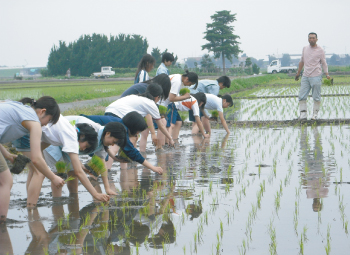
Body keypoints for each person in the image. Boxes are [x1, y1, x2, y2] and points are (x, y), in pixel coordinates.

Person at [13, 115, 114, 206]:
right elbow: (79, 172)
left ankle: (71, 198)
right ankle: (35, 206)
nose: (84, 149)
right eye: (86, 146)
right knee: (43, 172)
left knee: (64, 171)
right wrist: (95, 194)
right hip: (27, 131)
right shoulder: (70, 136)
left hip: (38, 134)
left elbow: (42, 145)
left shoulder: (72, 135)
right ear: (82, 137)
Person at [0, 97, 64, 222]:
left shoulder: (19, 107)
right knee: (6, 182)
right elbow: (36, 159)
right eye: (48, 120)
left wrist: (6, 154)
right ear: (42, 111)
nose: (45, 124)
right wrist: (53, 177)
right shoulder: (34, 121)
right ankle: (2, 222)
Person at [79, 112, 164, 174]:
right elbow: (132, 152)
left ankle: (93, 174)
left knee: (104, 157)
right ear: (133, 127)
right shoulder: (121, 130)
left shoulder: (120, 123)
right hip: (81, 130)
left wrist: (115, 158)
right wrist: (153, 168)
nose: (137, 134)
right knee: (100, 157)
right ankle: (92, 174)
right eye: (138, 131)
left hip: (86, 129)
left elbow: (104, 146)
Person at [105, 84, 175, 151]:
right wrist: (170, 139)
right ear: (157, 97)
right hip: (117, 115)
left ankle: (129, 160)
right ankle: (126, 159)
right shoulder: (151, 104)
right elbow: (161, 126)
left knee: (131, 137)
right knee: (119, 142)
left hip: (108, 112)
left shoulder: (137, 97)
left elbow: (146, 119)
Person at [157, 70, 199, 148]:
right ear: (187, 79)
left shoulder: (177, 76)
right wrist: (185, 97)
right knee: (164, 124)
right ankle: (162, 146)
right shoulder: (177, 82)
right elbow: (172, 98)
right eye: (190, 84)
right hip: (161, 103)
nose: (189, 86)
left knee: (167, 124)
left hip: (162, 102)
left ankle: (166, 144)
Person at [295, 32, 331, 120]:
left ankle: (315, 115)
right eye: (310, 38)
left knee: (316, 96)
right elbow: (302, 61)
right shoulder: (305, 48)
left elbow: (324, 63)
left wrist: (327, 74)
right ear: (308, 39)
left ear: (316, 39)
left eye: (313, 38)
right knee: (302, 96)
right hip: (305, 75)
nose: (311, 39)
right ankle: (303, 116)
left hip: (316, 75)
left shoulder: (320, 50)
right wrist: (298, 73)